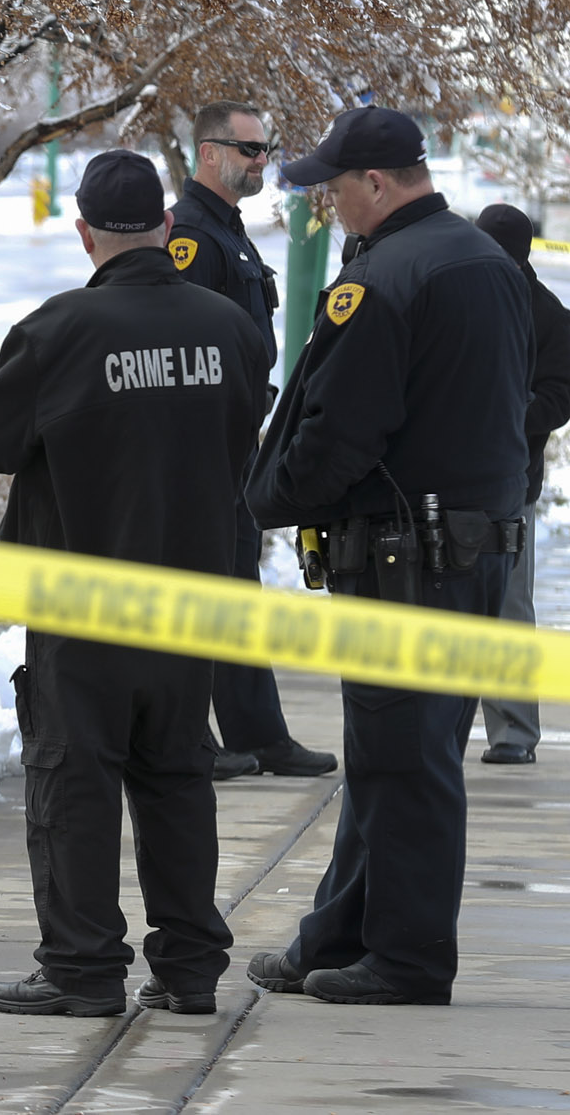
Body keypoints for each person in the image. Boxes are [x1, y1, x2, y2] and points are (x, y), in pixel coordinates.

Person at [241, 106, 532, 1007]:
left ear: (377, 183)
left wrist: (267, 498)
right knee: (393, 755)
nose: (329, 204)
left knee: (406, 765)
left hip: (408, 560)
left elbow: (338, 433)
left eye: (334, 188)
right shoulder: (485, 261)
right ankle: (339, 932)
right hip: (470, 549)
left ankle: (407, 959)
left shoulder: (385, 279)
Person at [0, 149, 266, 1018]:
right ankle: (191, 967)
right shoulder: (229, 329)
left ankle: (83, 967)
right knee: (177, 778)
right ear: (168, 230)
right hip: (191, 600)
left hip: (83, 606)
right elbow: (247, 426)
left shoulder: (56, 332)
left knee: (75, 781)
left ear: (84, 232)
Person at [168, 100, 338, 782]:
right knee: (200, 591)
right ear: (209, 153)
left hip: (236, 443)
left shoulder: (228, 232)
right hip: (201, 448)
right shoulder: (190, 237)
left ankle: (259, 734)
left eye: (264, 148)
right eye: (249, 149)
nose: (261, 159)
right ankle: (188, 738)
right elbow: (181, 347)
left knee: (237, 589)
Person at [469, 205, 570, 765]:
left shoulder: (547, 316)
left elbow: (561, 395)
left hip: (511, 484)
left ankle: (513, 733)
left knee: (508, 607)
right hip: (445, 482)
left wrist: (510, 413)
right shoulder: (455, 298)